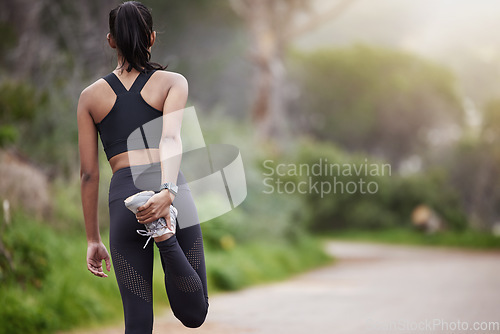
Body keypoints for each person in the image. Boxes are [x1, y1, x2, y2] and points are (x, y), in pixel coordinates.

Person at [76, 1, 209, 332]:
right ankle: (165, 236)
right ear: (151, 38)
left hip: (124, 199)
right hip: (170, 189)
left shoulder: (89, 97)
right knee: (194, 314)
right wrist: (168, 192)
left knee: (137, 322)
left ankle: (162, 233)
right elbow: (170, 139)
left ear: (111, 41)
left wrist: (93, 239)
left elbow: (88, 173)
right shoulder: (172, 82)